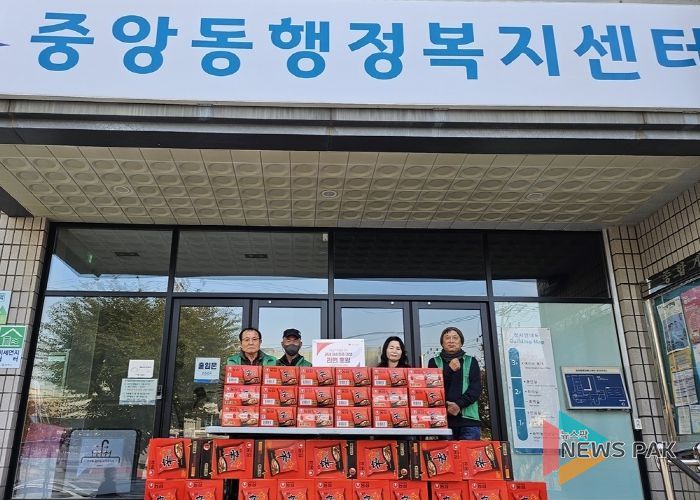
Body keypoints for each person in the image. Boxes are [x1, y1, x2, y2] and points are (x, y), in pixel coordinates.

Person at [428, 326, 481, 440]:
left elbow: (475, 389)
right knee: (445, 452)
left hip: (469, 422)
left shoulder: (471, 361)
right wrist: (449, 370)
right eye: (447, 338)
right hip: (442, 420)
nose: (451, 341)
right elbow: (432, 389)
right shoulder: (433, 362)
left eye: (455, 338)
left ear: (461, 342)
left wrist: (458, 405)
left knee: (469, 452)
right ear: (442, 343)